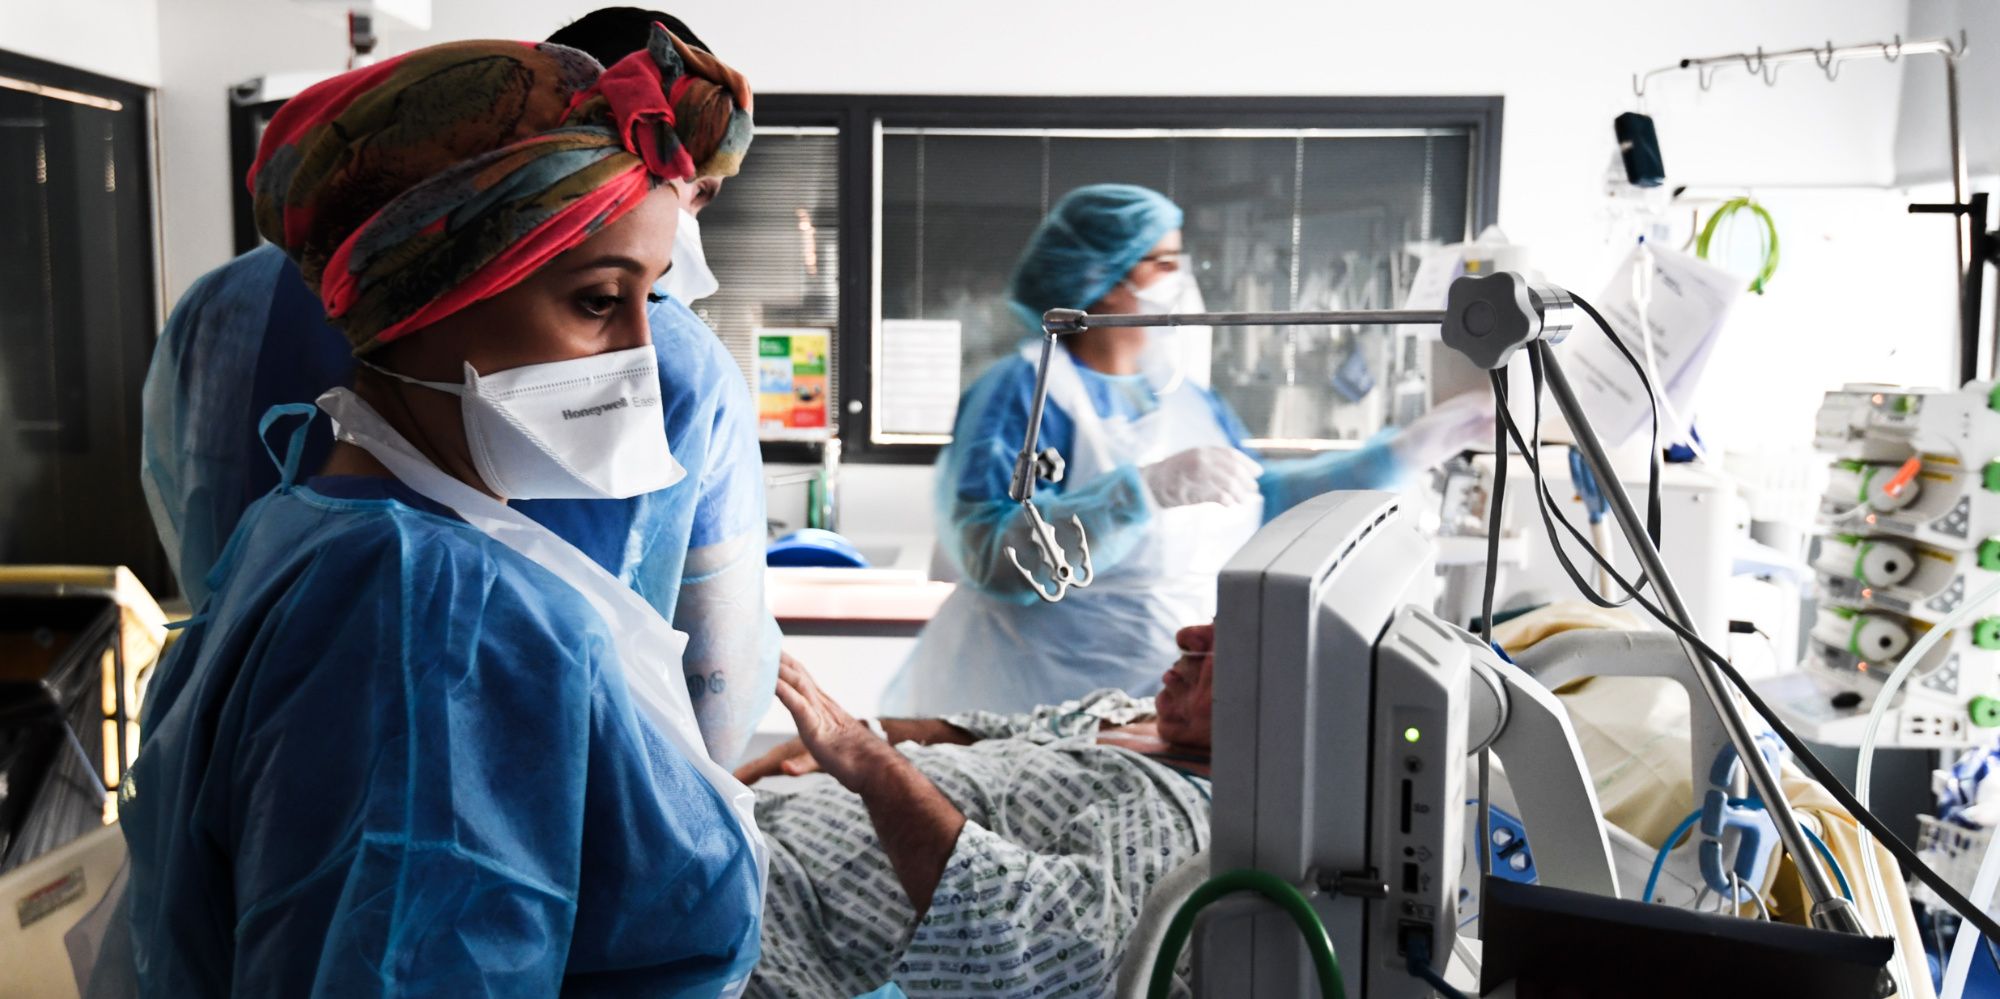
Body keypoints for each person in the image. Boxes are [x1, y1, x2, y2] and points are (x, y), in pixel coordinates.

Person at [121, 30, 765, 995]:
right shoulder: (435, 615)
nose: (642, 357)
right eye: (598, 301)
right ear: (430, 295)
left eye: (652, 296)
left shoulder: (319, 527)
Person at [884, 184, 1495, 716]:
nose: (1184, 280)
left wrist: (1404, 453)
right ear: (1104, 277)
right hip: (1026, 699)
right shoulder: (1024, 391)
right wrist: (1138, 494)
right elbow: (990, 554)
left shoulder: (1183, 398)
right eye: (1165, 262)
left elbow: (1258, 499)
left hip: (1158, 702)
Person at [734, 623, 1220, 998]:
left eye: (1227, 635)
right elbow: (987, 731)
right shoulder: (1127, 716)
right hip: (759, 835)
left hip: (773, 926)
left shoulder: (1181, 828)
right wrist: (871, 732)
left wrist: (871, 763)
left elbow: (1040, 955)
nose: (1189, 636)